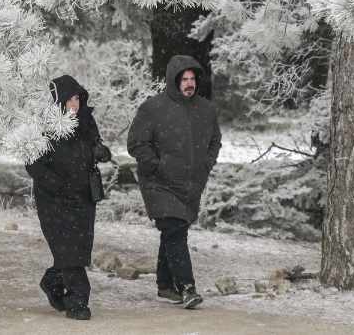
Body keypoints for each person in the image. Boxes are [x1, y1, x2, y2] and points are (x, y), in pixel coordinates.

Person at [127, 54, 221, 309]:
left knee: (173, 231)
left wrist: (205, 165)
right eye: (184, 79)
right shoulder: (153, 108)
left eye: (193, 79)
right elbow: (136, 143)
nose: (190, 83)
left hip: (191, 184)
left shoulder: (206, 110)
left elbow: (215, 141)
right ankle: (187, 287)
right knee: (175, 230)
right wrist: (157, 165)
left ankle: (165, 285)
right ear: (173, 80)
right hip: (159, 184)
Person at [25, 74, 113, 320]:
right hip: (54, 199)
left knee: (79, 248)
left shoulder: (85, 120)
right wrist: (57, 184)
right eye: (70, 99)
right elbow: (33, 163)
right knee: (68, 247)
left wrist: (101, 152)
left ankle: (53, 281)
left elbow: (94, 146)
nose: (75, 104)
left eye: (77, 98)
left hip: (83, 195)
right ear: (58, 101)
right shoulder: (43, 126)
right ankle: (78, 302)